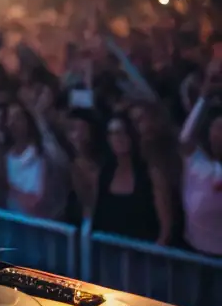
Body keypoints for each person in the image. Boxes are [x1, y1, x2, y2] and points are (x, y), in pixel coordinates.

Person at [93, 113, 168, 243]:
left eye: (122, 132)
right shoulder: (104, 173)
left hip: (144, 252)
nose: (118, 138)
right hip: (108, 252)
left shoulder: (151, 173)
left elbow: (166, 228)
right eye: (112, 133)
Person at [179, 96, 222, 255]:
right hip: (194, 252)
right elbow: (185, 138)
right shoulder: (197, 161)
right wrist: (204, 98)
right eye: (217, 129)